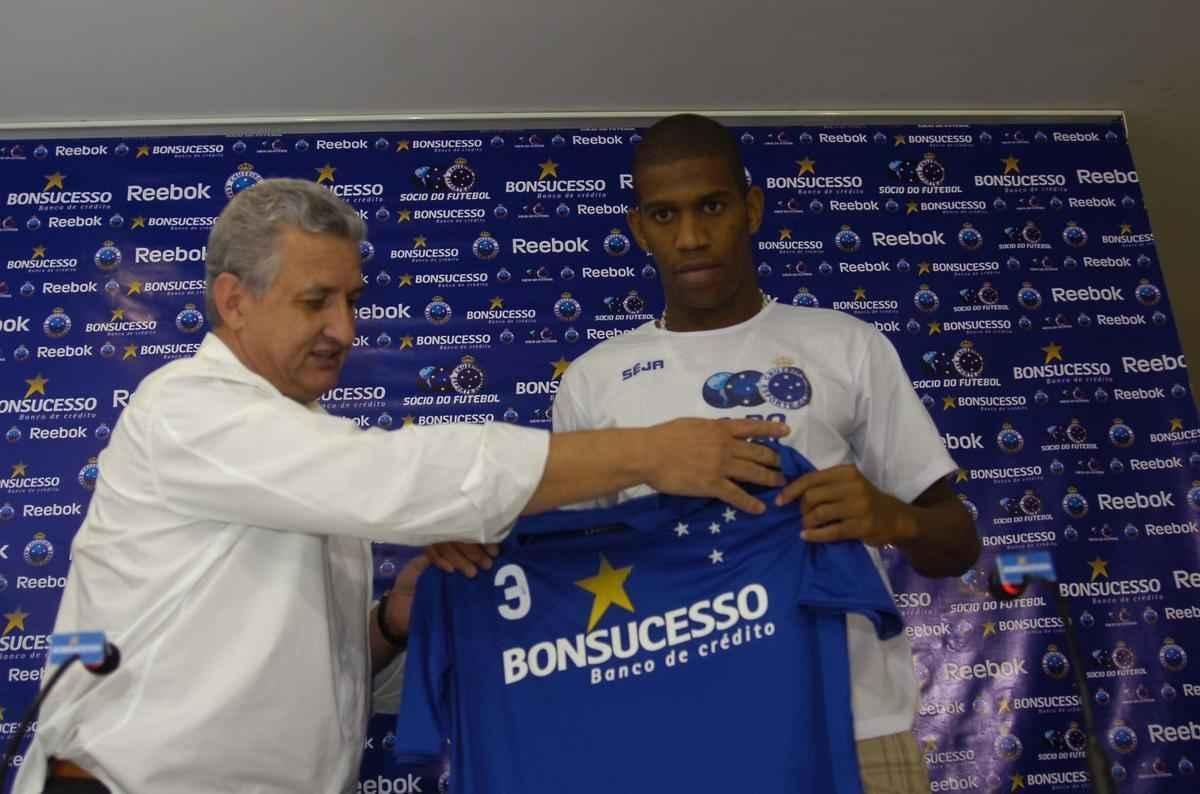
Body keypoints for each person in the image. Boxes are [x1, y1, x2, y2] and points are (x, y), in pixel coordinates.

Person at [13, 178, 790, 794]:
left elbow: (307, 675)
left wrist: (389, 622)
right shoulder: (184, 409)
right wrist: (648, 454)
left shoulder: (300, 446)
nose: (345, 329)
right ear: (233, 302)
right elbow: (401, 478)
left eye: (352, 299)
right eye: (316, 301)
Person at [549, 115, 980, 793]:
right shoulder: (593, 381)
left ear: (751, 209)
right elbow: (568, 575)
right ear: (639, 229)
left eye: (712, 207)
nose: (691, 237)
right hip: (677, 730)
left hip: (855, 726)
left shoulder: (847, 347)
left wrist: (889, 516)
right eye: (665, 214)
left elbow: (958, 541)